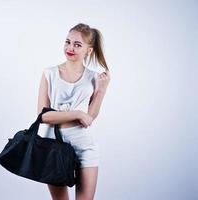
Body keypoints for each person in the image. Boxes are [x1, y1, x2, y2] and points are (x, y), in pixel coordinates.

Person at [37, 23, 111, 200]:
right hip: (53, 146)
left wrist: (102, 90)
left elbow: (89, 118)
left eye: (78, 45)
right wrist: (77, 114)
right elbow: (43, 116)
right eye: (68, 42)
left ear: (89, 50)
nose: (70, 48)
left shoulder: (94, 77)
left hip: (84, 147)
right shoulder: (50, 74)